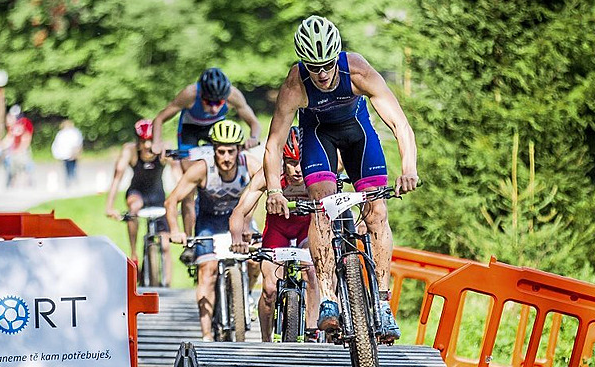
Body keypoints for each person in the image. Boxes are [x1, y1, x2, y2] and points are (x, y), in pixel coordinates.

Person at [263, 15, 420, 342]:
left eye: (327, 65)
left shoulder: (358, 71)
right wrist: (275, 190)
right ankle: (329, 299)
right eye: (313, 66)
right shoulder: (296, 83)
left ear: (337, 57)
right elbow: (275, 143)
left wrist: (408, 168)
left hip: (357, 133)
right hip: (318, 136)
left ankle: (382, 301)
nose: (320, 74)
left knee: (377, 212)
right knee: (322, 207)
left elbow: (399, 124)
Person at [152, 68, 263, 263]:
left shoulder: (233, 95)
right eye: (209, 102)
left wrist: (253, 138)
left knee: (224, 160)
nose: (213, 108)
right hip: (190, 131)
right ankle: (190, 242)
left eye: (218, 103)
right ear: (201, 95)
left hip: (214, 130)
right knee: (189, 187)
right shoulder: (189, 94)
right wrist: (157, 142)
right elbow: (160, 119)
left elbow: (254, 123)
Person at [165, 120, 262, 341]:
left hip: (239, 221)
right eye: (220, 151)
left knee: (256, 259)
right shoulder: (201, 169)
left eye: (231, 151)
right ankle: (207, 334)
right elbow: (172, 201)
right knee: (207, 271)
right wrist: (174, 230)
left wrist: (248, 222)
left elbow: (267, 185)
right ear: (213, 150)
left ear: (239, 150)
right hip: (208, 222)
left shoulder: (250, 164)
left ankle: (244, 296)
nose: (226, 158)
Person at [230, 126, 319, 342]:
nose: (297, 169)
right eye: (291, 162)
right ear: (282, 160)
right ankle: (265, 340)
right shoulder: (270, 175)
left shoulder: (316, 174)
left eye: (301, 162)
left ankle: (312, 333)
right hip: (278, 231)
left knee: (311, 273)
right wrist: (237, 239)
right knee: (269, 289)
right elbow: (240, 211)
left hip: (305, 231)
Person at [105, 119, 178, 286]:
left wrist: (183, 201)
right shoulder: (129, 151)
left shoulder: (164, 149)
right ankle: (134, 253)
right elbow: (117, 177)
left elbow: (178, 175)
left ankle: (167, 284)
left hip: (157, 195)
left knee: (166, 245)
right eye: (142, 141)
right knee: (134, 207)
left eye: (150, 141)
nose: (146, 146)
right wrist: (109, 207)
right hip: (137, 194)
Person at [0, 105, 35, 188]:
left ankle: (25, 186)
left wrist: (20, 149)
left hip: (21, 152)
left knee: (23, 168)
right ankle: (13, 186)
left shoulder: (23, 125)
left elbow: (26, 139)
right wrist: (0, 147)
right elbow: (9, 139)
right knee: (13, 169)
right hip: (14, 152)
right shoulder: (13, 127)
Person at [51, 119, 83, 187]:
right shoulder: (62, 133)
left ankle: (72, 179)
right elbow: (57, 145)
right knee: (68, 167)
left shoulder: (73, 132)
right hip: (65, 154)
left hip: (71, 153)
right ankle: (70, 179)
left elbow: (77, 143)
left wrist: (76, 152)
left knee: (71, 167)